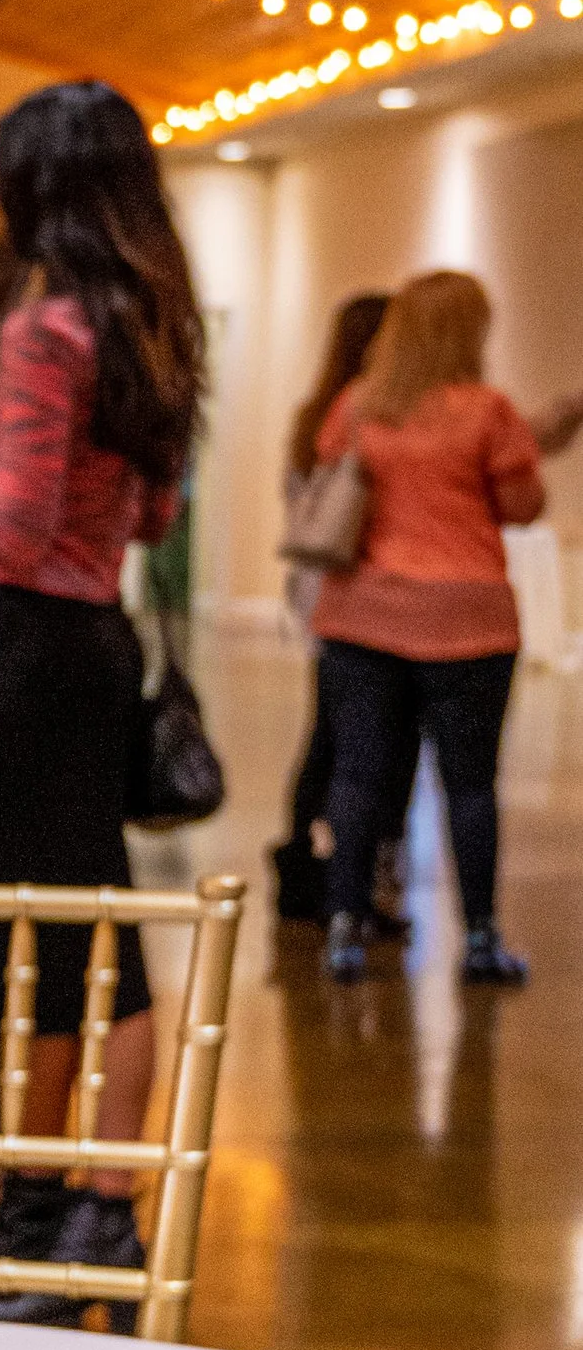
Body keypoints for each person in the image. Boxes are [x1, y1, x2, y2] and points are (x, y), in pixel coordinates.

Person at [0, 80, 202, 1317]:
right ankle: (102, 1211)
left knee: (0, 932)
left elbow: (13, 528)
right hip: (95, 646)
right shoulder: (152, 327)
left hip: (17, 656)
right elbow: (154, 513)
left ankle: (27, 1215)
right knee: (93, 921)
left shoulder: (42, 331)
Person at [309, 270, 545, 985]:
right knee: (471, 785)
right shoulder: (488, 412)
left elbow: (328, 473)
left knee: (356, 775)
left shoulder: (359, 406)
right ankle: (478, 937)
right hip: (467, 623)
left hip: (363, 615)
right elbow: (523, 504)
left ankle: (345, 926)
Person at [271, 290, 397, 929]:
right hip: (354, 595)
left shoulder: (312, 416)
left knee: (328, 734)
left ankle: (306, 865)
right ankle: (333, 874)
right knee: (351, 745)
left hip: (319, 591)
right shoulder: (362, 417)